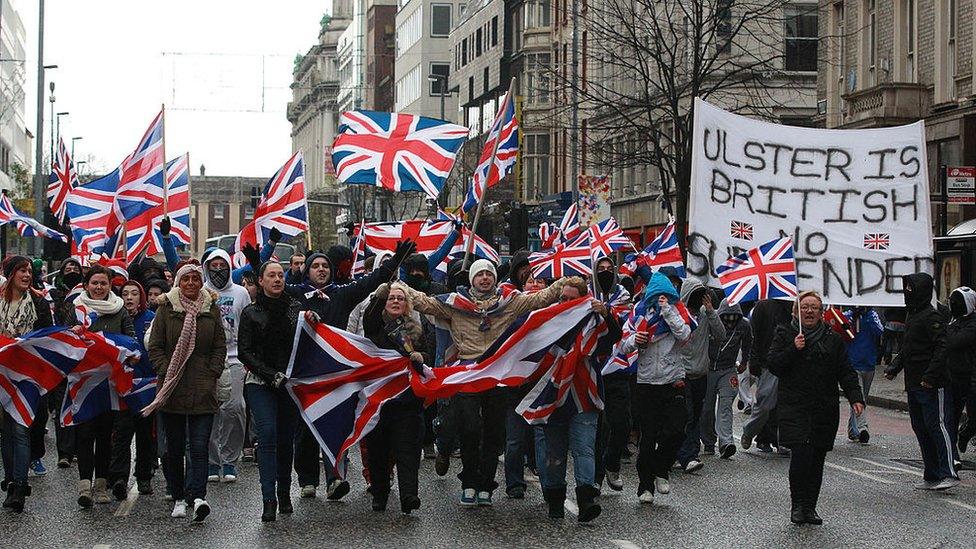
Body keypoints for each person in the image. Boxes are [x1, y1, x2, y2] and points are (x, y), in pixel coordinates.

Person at [401, 259, 579, 506]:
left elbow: (541, 299)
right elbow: (425, 303)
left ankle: (486, 485)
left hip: (498, 376)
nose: (484, 278)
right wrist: (398, 286)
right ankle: (469, 483)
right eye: (479, 274)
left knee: (494, 433)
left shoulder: (510, 301)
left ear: (495, 278)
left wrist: (565, 283)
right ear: (472, 279)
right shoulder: (455, 304)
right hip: (468, 374)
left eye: (489, 274)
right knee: (470, 430)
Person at [287, 243, 411, 501]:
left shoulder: (341, 295)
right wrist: (258, 263)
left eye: (325, 267)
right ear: (307, 271)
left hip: (336, 373)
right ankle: (307, 479)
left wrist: (394, 262)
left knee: (336, 423)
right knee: (305, 427)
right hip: (304, 372)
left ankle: (335, 478)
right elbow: (271, 290)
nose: (321, 270)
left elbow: (371, 281)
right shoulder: (296, 295)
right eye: (315, 266)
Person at [767, 291, 864, 525]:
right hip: (795, 406)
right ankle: (797, 505)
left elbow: (845, 370)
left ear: (822, 313)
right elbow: (773, 364)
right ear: (795, 312)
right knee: (801, 454)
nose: (809, 311)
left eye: (814, 307)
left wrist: (855, 396)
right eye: (804, 307)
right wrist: (793, 348)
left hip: (823, 408)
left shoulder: (833, 339)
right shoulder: (785, 334)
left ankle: (810, 507)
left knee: (817, 458)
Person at [145, 263, 227, 522]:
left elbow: (219, 344)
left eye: (195, 279)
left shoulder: (210, 308)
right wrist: (165, 370)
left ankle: (198, 496)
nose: (191, 283)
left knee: (200, 447)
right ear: (178, 283)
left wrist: (212, 371)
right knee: (174, 448)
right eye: (186, 279)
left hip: (203, 388)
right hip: (173, 388)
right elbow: (155, 346)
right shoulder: (166, 308)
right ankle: (179, 496)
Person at [540, 278, 621, 523]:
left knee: (584, 449)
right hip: (554, 396)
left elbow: (613, 336)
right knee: (555, 452)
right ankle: (555, 499)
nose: (565, 303)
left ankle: (586, 499)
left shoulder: (594, 323)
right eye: (562, 298)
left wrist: (606, 313)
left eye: (571, 299)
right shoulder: (549, 321)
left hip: (584, 394)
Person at [616, 272, 692, 504]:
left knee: (676, 430)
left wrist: (668, 311)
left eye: (665, 295)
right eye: (656, 295)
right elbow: (623, 345)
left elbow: (685, 334)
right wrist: (634, 340)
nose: (660, 299)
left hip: (673, 381)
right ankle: (645, 485)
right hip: (647, 383)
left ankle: (662, 469)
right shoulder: (639, 312)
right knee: (648, 437)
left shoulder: (678, 310)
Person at [238, 261, 304, 522]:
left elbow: (307, 340)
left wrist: (313, 321)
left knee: (286, 438)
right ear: (261, 282)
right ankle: (268, 499)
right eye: (271, 276)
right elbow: (245, 350)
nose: (277, 279)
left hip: (289, 384)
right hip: (260, 382)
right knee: (267, 434)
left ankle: (285, 492)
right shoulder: (251, 312)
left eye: (280, 275)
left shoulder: (295, 309)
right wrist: (269, 374)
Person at [361, 282, 435, 514]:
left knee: (407, 449)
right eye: (391, 298)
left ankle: (409, 495)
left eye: (400, 298)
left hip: (407, 400)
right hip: (380, 400)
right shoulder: (376, 327)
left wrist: (419, 357)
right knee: (378, 450)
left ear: (407, 304)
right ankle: (380, 493)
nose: (395, 301)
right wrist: (384, 287)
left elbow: (430, 355)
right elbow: (371, 314)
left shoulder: (417, 329)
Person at [69, 264, 136, 509]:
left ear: (110, 286)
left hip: (109, 383)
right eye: (94, 283)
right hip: (83, 381)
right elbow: (65, 340)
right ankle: (84, 484)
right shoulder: (76, 308)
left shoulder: (119, 310)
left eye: (103, 283)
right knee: (85, 432)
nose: (98, 287)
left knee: (105, 434)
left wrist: (124, 350)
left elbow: (130, 340)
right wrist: (73, 332)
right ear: (87, 285)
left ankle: (101, 484)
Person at [885, 273, 958, 490]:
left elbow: (942, 347)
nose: (907, 292)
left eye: (910, 288)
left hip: (932, 384)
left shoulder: (932, 317)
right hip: (914, 383)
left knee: (937, 426)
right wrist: (894, 368)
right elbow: (908, 349)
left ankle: (948, 472)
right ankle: (932, 473)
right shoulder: (913, 315)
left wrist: (930, 376)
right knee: (921, 427)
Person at [0, 257, 54, 512]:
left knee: (21, 428)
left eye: (30, 271)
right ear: (10, 274)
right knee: (5, 431)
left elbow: (49, 338)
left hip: (27, 375)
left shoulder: (40, 304)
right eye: (22, 270)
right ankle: (10, 480)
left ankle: (20, 486)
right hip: (1, 374)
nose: (27, 274)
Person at [202, 249, 251, 483]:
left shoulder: (241, 293)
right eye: (214, 265)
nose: (218, 270)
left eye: (223, 265)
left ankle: (230, 459)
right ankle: (213, 461)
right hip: (208, 361)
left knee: (235, 409)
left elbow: (249, 325)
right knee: (211, 412)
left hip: (235, 360)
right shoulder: (201, 292)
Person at [109, 280, 157, 499]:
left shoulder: (150, 320)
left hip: (146, 384)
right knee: (121, 431)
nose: (129, 298)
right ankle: (119, 476)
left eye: (134, 294)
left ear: (142, 297)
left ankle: (144, 476)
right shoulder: (115, 318)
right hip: (122, 384)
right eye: (125, 293)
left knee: (145, 432)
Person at [675, 279, 724, 473]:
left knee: (695, 415)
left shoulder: (705, 314)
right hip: (681, 373)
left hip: (701, 373)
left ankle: (682, 453)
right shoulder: (677, 315)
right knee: (685, 414)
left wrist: (711, 310)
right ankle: (689, 456)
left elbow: (721, 335)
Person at [741, 298, 793, 452]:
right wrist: (754, 360)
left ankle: (783, 439)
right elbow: (754, 336)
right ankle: (750, 430)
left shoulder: (798, 305)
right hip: (769, 362)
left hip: (792, 360)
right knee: (765, 403)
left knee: (788, 404)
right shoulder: (763, 307)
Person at [47, 257, 85, 468]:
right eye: (67, 268)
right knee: (62, 402)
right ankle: (65, 452)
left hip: (81, 355)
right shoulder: (53, 295)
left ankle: (80, 447)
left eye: (75, 268)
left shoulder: (85, 296)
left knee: (80, 401)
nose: (71, 271)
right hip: (60, 353)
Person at [702, 298, 751, 459]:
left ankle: (726, 442)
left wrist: (744, 362)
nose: (730, 322)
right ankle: (709, 441)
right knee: (707, 408)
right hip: (708, 369)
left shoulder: (744, 325)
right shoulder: (711, 320)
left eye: (734, 318)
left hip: (728, 369)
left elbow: (747, 343)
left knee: (725, 405)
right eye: (726, 318)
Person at [843, 306, 884, 444]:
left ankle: (852, 429)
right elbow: (840, 331)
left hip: (868, 363)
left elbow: (879, 331)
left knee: (861, 398)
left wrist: (867, 316)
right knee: (859, 398)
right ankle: (862, 428)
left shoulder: (872, 315)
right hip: (853, 363)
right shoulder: (847, 315)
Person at [945, 287, 976, 455]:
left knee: (974, 417)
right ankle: (952, 453)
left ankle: (965, 433)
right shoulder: (954, 323)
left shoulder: (971, 325)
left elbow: (955, 341)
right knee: (952, 417)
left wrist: (949, 326)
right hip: (954, 377)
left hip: (971, 378)